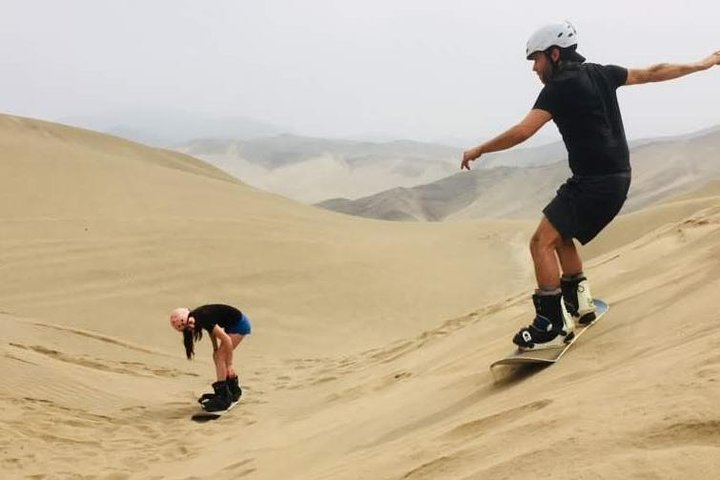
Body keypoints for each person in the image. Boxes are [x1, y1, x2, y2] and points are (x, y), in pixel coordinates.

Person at [461, 21, 720, 350]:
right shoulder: (602, 73)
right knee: (561, 235)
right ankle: (579, 302)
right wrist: (704, 62)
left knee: (540, 242)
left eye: (537, 59)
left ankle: (551, 325)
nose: (535, 67)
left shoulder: (558, 87)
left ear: (554, 54)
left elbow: (523, 132)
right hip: (616, 177)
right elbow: (654, 72)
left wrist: (481, 149)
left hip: (594, 183)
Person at [170, 304, 252, 411]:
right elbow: (211, 331)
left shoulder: (202, 317)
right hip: (232, 325)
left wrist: (230, 364)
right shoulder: (196, 317)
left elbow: (226, 340)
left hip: (240, 325)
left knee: (220, 357)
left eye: (188, 325)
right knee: (217, 356)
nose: (190, 327)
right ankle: (232, 388)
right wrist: (215, 349)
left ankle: (223, 397)